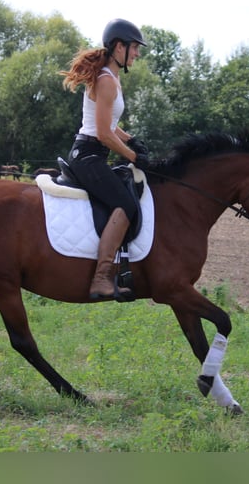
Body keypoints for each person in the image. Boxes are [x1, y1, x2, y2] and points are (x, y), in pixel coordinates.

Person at [60, 18, 150, 300]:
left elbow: (109, 124)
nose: (137, 53)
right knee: (125, 204)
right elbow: (102, 133)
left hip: (91, 154)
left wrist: (130, 139)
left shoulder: (111, 78)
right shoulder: (106, 81)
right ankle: (101, 278)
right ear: (119, 47)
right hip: (88, 155)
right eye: (134, 48)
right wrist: (134, 156)